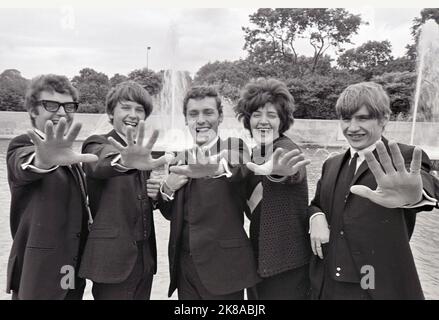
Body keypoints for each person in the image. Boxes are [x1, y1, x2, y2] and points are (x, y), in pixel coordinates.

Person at [309, 82, 438, 300]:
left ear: (384, 119)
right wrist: (316, 216)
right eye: (346, 119)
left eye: (362, 118)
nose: (352, 127)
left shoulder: (404, 157)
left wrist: (414, 197)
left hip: (375, 287)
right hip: (327, 285)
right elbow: (316, 203)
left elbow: (425, 184)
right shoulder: (331, 164)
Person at [153, 86, 261, 300]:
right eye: (193, 114)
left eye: (208, 112)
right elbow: (171, 213)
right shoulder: (178, 159)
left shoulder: (235, 147)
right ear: (186, 119)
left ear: (220, 117)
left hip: (225, 268)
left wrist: (216, 166)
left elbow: (238, 163)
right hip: (185, 270)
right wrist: (167, 190)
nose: (200, 120)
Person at [6, 74, 98, 300]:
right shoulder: (22, 145)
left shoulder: (70, 157)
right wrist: (44, 160)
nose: (62, 112)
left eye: (68, 106)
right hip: (38, 274)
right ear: (33, 110)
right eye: (51, 105)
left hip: (70, 272)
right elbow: (26, 165)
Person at [78, 81, 170, 300]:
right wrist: (125, 161)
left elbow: (141, 199)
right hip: (112, 262)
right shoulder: (96, 144)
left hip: (145, 260)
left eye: (139, 109)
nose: (133, 114)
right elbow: (100, 163)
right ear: (111, 113)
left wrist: (157, 195)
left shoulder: (140, 152)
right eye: (126, 107)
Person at [234, 78, 311, 300]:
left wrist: (278, 173)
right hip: (261, 261)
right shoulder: (256, 152)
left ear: (282, 121)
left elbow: (293, 170)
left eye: (272, 115)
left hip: (286, 265)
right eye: (257, 115)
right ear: (248, 120)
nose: (263, 121)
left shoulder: (285, 148)